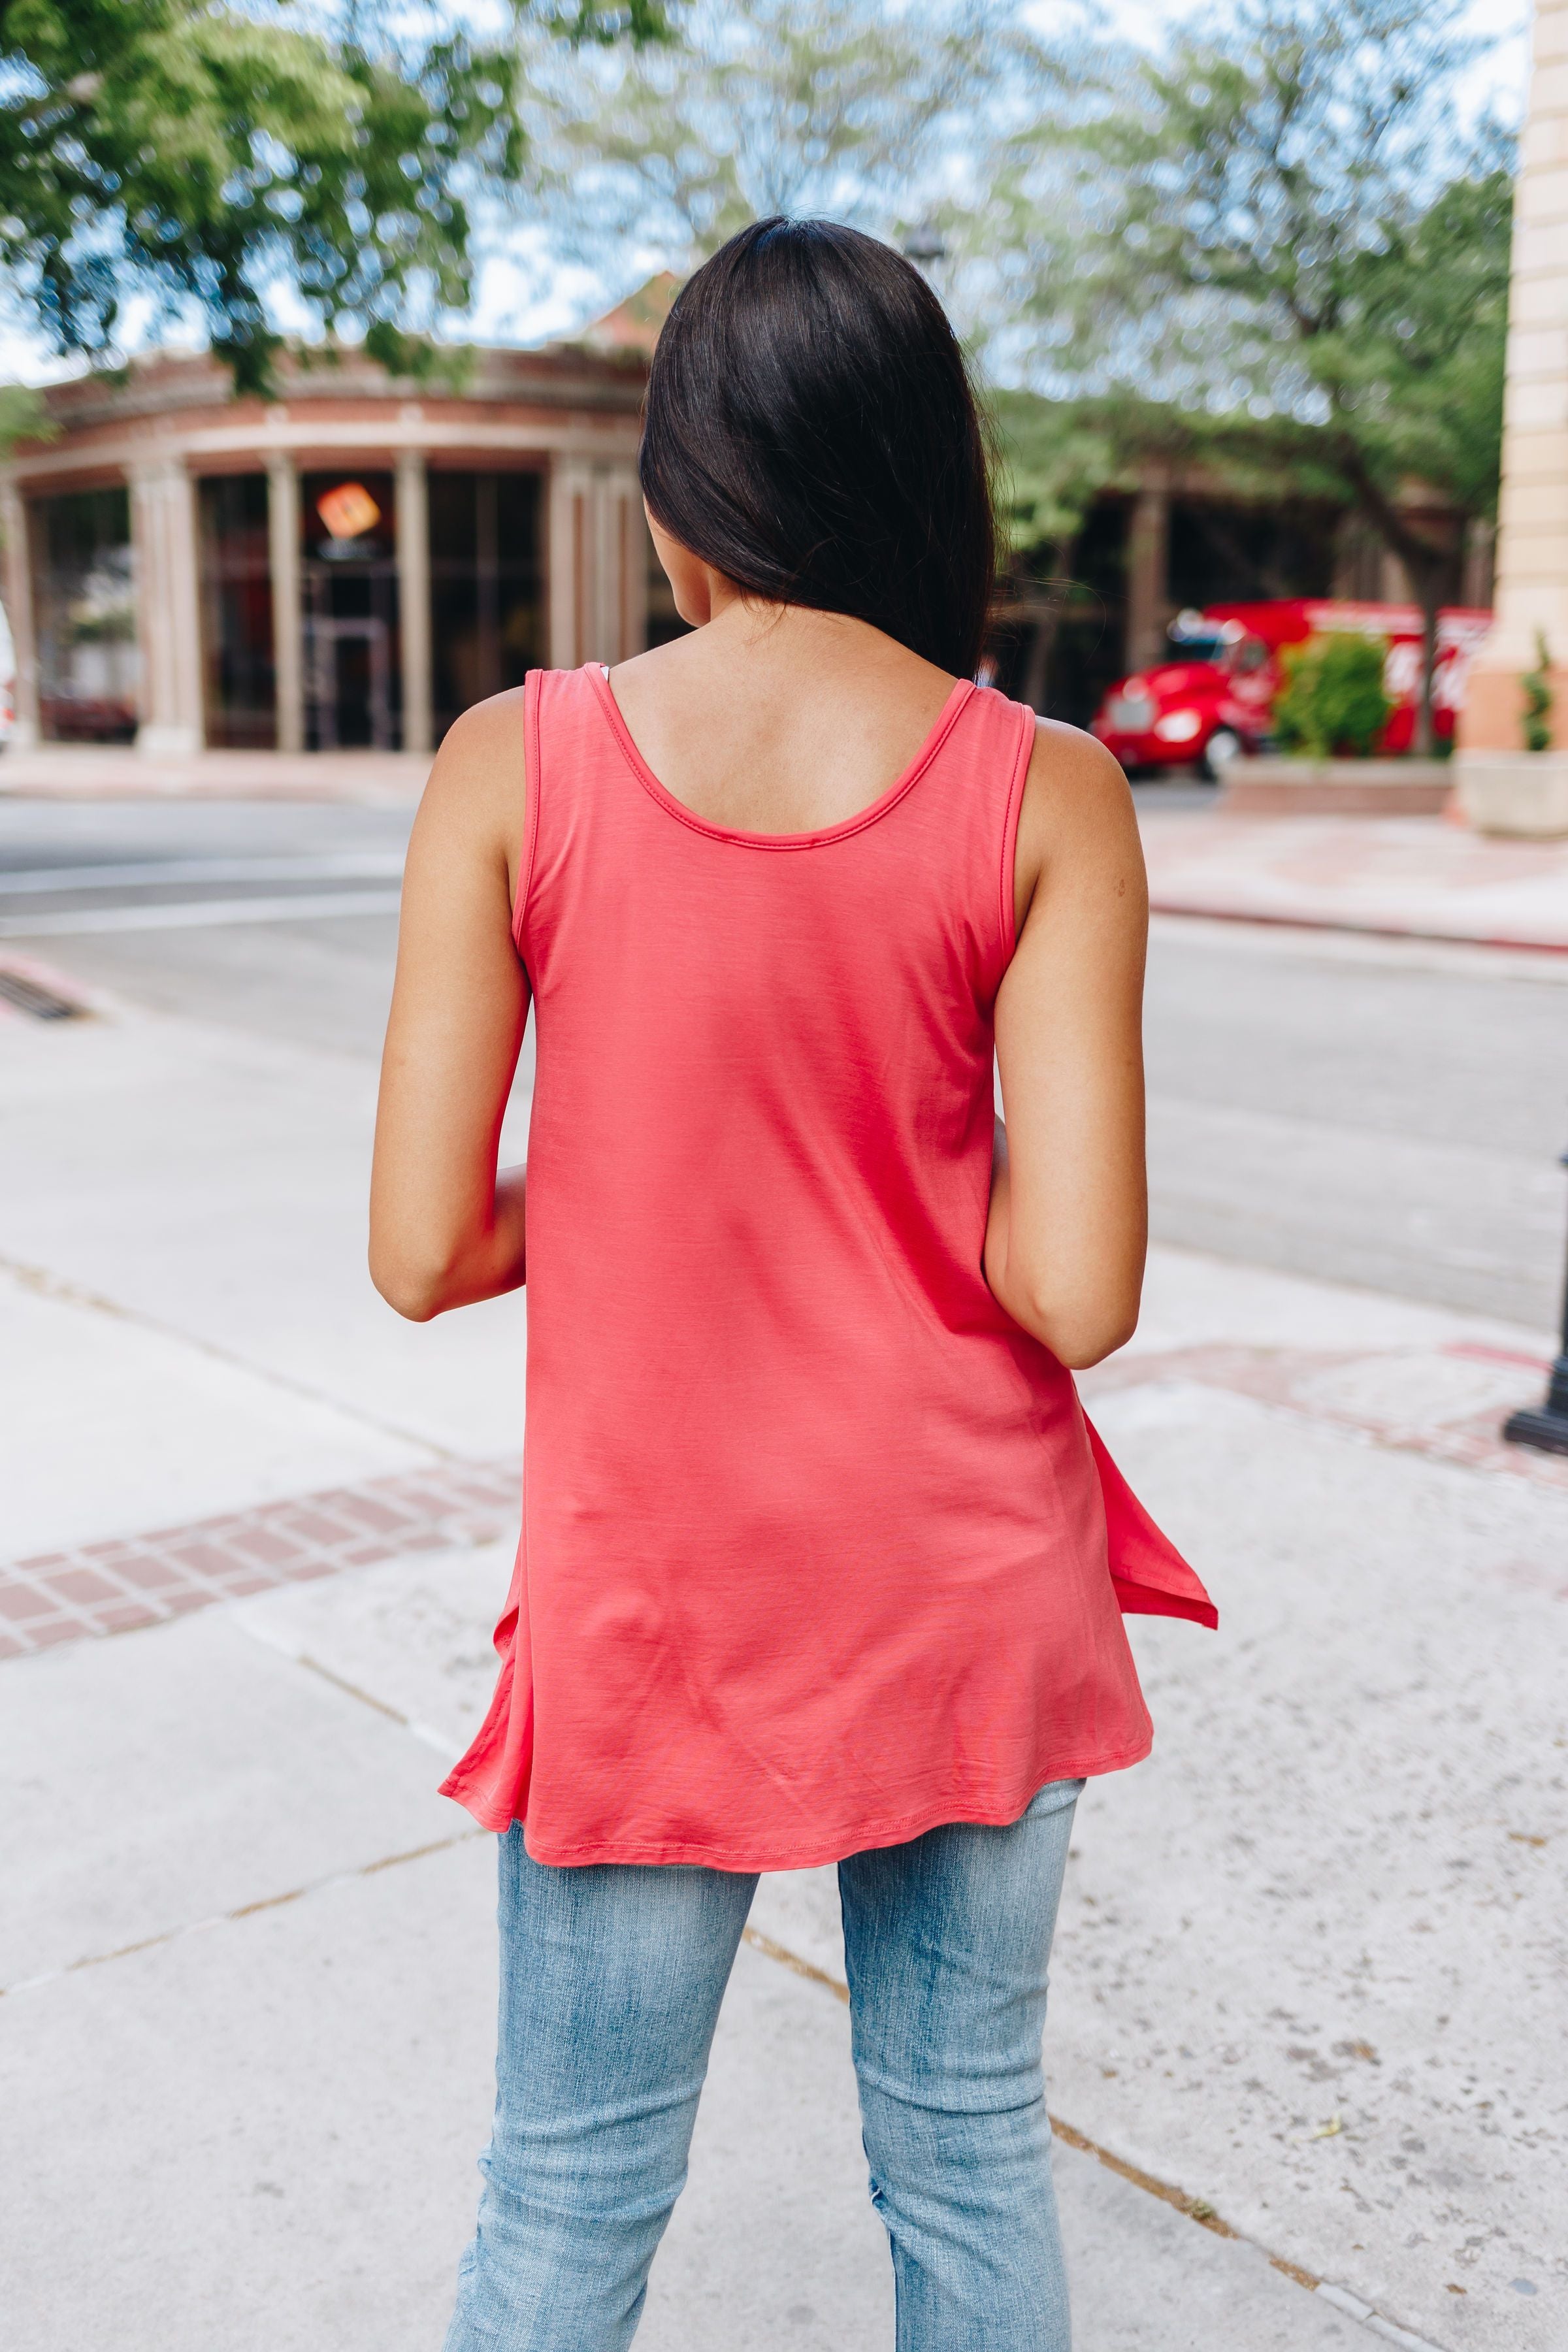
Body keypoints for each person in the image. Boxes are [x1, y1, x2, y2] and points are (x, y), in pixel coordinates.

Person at [370, 216, 1215, 2352]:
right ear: (931, 487)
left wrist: (654, 1140)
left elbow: (419, 1251)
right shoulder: (1049, 790)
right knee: (965, 2158)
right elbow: (1075, 1286)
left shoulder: (512, 760)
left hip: (662, 1610)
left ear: (681, 497)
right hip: (962, 1597)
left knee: (563, 2204)